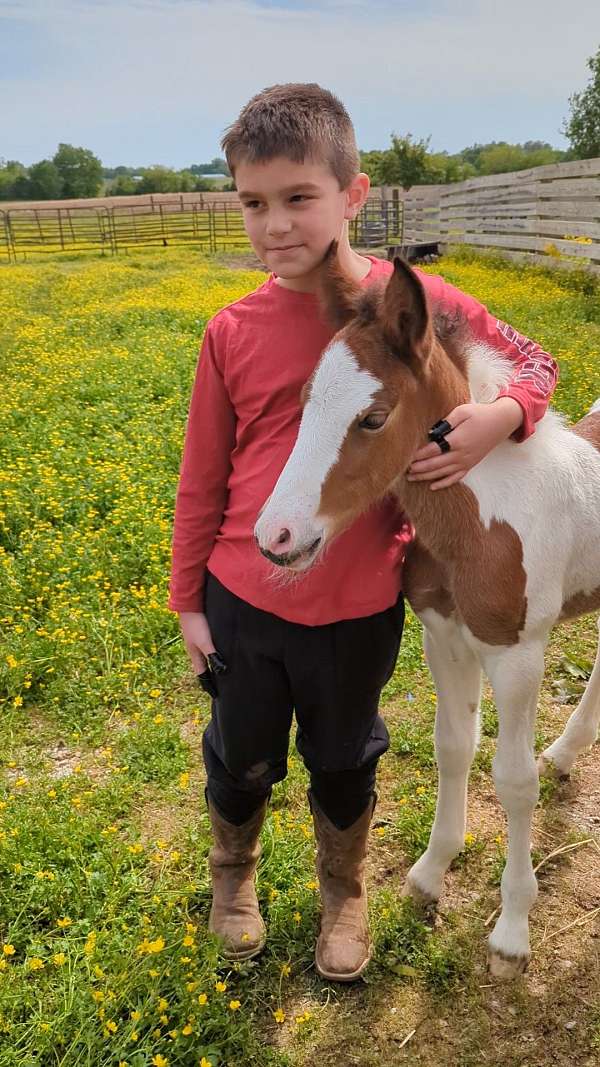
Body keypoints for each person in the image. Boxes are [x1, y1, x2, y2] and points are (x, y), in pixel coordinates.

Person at [168, 83, 559, 982]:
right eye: (253, 204)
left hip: (361, 599)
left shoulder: (410, 305)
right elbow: (201, 478)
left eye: (299, 198)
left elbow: (537, 360)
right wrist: (189, 597)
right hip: (245, 595)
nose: (274, 226)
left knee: (346, 750)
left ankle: (344, 888)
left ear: (353, 194)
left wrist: (503, 414)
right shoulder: (231, 331)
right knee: (242, 746)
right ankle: (235, 875)